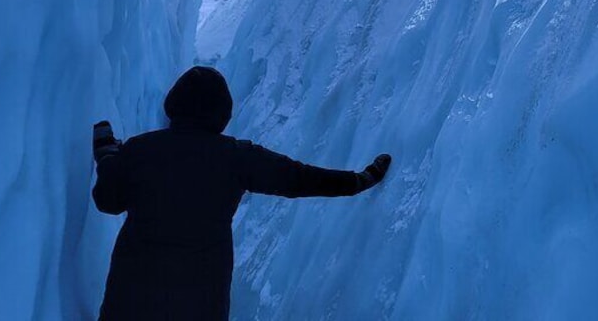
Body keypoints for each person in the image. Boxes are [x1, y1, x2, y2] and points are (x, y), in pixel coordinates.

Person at [92, 66, 391, 321]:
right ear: (222, 113)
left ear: (173, 104)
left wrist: (107, 156)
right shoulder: (236, 157)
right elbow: (300, 179)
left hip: (131, 300)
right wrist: (360, 180)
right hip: (201, 303)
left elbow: (107, 201)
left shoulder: (139, 150)